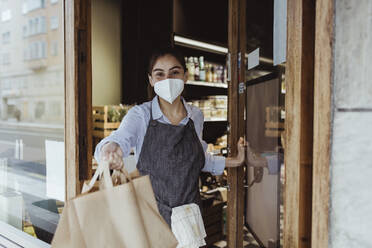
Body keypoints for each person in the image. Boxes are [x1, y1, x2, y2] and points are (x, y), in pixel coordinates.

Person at [94, 47, 246, 228]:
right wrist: (110, 149)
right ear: (151, 80)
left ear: (185, 76)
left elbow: (198, 160)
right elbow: (120, 138)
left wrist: (235, 161)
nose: (167, 80)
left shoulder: (195, 116)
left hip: (189, 217)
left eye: (174, 72)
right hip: (152, 218)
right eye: (159, 74)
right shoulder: (141, 115)